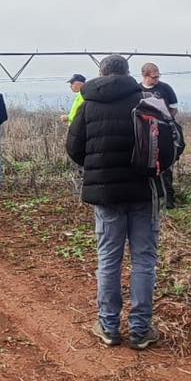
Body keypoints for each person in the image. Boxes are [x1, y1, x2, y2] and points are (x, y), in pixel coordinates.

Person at [66, 55, 162, 350]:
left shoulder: (88, 104)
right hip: (144, 191)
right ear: (127, 73)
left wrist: (97, 167)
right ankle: (140, 330)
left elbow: (74, 148)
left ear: (101, 74)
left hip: (106, 195)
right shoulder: (146, 102)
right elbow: (169, 148)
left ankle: (108, 327)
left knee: (109, 259)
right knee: (144, 260)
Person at [139, 63, 181, 209]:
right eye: (154, 77)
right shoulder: (137, 90)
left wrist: (166, 120)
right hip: (145, 135)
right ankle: (150, 199)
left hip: (163, 133)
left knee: (165, 166)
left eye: (158, 76)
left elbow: (174, 108)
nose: (157, 79)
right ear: (145, 75)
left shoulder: (165, 88)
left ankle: (169, 201)